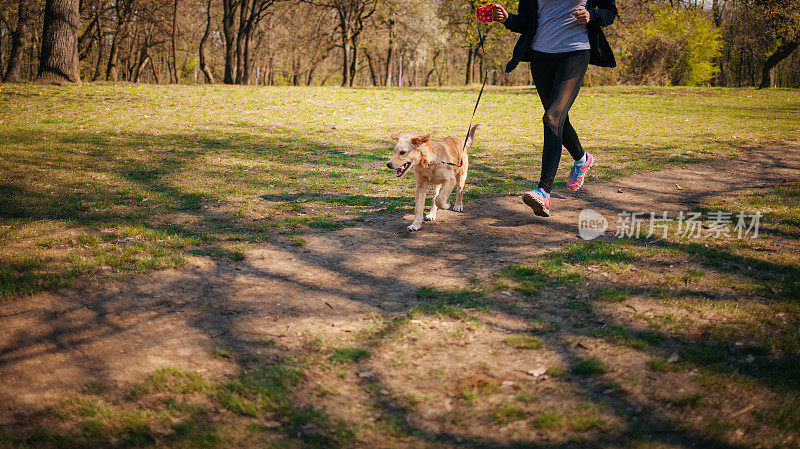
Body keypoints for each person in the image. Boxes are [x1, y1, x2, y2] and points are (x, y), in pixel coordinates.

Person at [489, 0, 617, 217]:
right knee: (558, 119)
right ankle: (582, 158)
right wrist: (508, 18)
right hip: (541, 56)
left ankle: (544, 191)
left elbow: (609, 12)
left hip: (575, 52)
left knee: (551, 117)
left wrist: (591, 16)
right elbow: (527, 21)